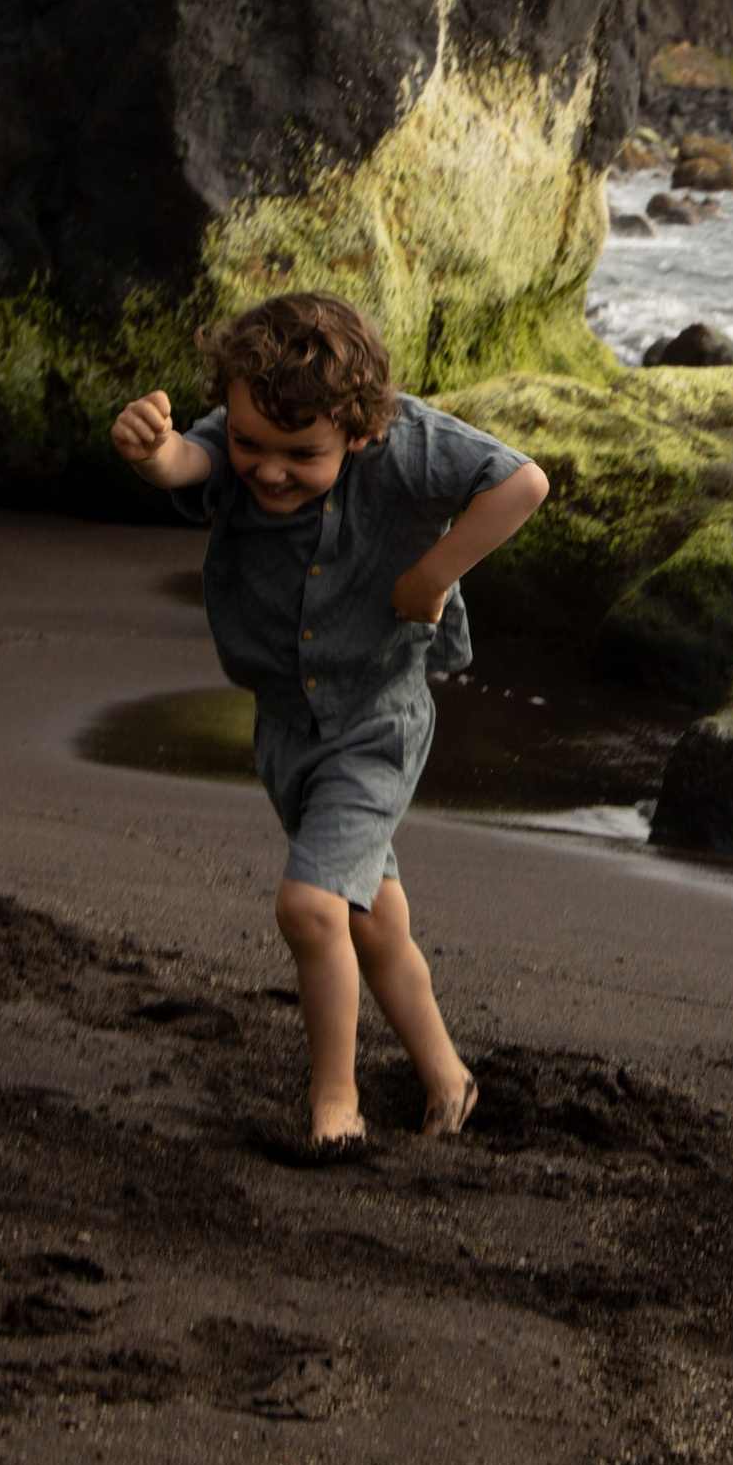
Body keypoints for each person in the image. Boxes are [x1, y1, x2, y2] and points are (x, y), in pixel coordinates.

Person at [111, 292, 548, 1161]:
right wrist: (155, 454)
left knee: (311, 908)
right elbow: (190, 465)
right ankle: (449, 1078)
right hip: (286, 722)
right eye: (251, 445)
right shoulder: (237, 436)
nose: (267, 471)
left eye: (300, 454)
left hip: (376, 720)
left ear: (357, 430)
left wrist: (432, 577)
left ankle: (337, 1101)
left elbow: (522, 483)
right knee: (372, 919)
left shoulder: (406, 439)